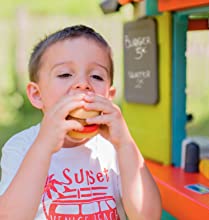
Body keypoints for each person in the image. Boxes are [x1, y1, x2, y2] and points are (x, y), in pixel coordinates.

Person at [0, 25, 161, 220]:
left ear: (109, 96)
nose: (83, 84)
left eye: (96, 76)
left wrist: (125, 144)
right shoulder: (22, 146)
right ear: (37, 95)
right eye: (65, 74)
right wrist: (43, 146)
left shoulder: (115, 149)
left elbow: (148, 216)